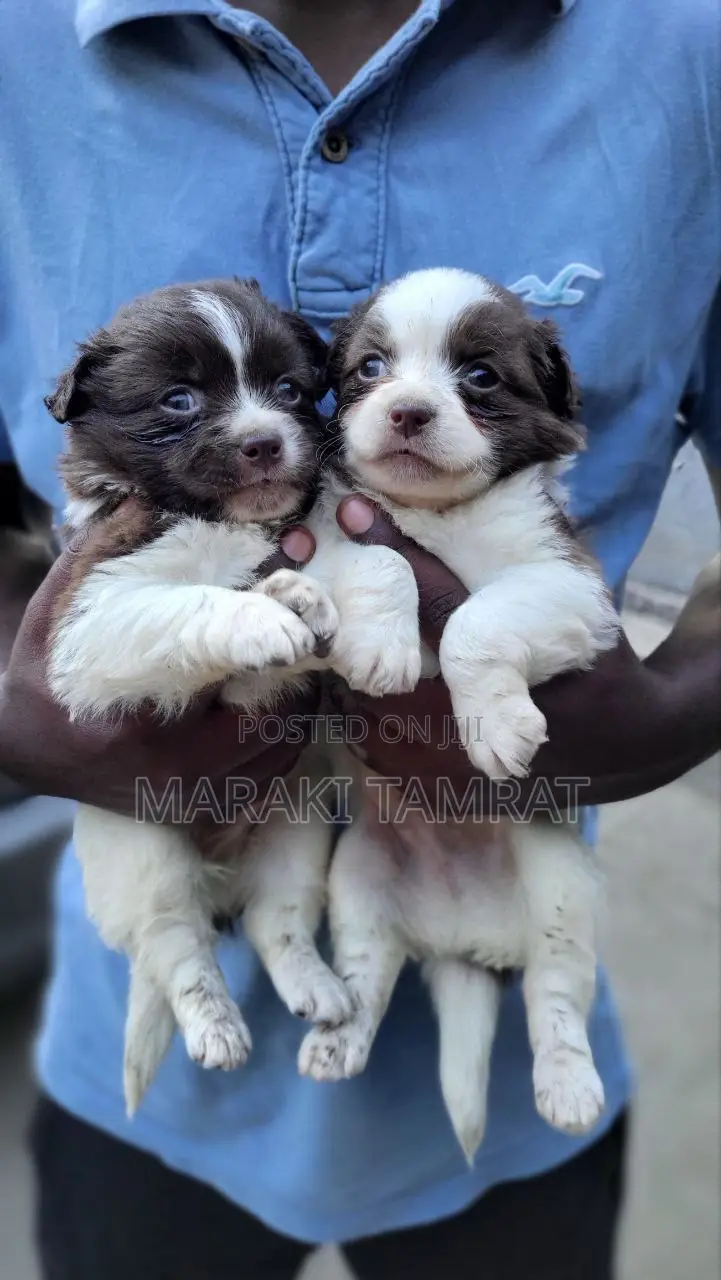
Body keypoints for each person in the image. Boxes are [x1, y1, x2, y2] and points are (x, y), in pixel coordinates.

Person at [1, 0, 719, 1275]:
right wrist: (18, 699)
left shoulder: (684, 47)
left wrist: (672, 712)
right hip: (140, 1065)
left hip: (509, 1029)